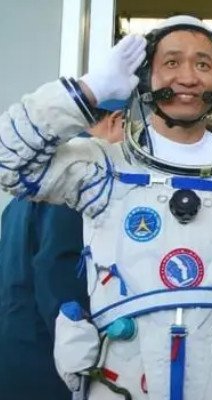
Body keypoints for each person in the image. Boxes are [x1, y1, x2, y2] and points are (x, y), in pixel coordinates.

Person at [0, 15, 212, 400]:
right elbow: (10, 161)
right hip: (123, 381)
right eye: (171, 62)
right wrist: (89, 91)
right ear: (145, 78)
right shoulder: (104, 171)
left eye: (203, 64)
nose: (188, 77)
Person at [0, 101, 124, 400]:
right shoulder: (78, 185)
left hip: (16, 360)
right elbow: (60, 281)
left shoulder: (23, 196)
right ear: (116, 120)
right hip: (51, 370)